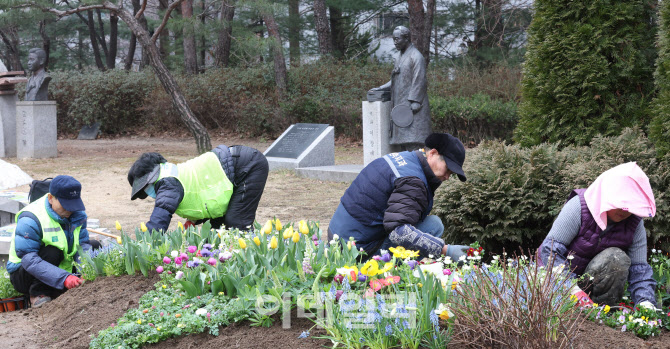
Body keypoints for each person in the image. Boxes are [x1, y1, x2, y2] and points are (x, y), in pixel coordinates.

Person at [328, 133, 471, 260]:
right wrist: (446, 250)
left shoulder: (404, 159)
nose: (447, 177)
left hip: (336, 240)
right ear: (432, 153)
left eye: (451, 174)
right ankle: (385, 276)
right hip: (355, 254)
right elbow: (399, 233)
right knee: (433, 226)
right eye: (448, 169)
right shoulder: (413, 181)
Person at [539, 162, 657, 308]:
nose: (624, 211)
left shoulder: (634, 223)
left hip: (590, 285)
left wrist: (646, 302)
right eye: (619, 203)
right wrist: (570, 288)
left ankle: (599, 314)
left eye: (630, 207)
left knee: (616, 258)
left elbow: (640, 269)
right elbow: (550, 250)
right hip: (555, 279)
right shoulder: (579, 207)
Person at [128, 145, 269, 232]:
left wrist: (144, 243)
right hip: (235, 165)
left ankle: (251, 269)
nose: (148, 194)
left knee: (237, 224)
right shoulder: (169, 175)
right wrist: (193, 221)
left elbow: (161, 216)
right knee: (215, 233)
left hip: (247, 166)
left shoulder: (167, 183)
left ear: (150, 179)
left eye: (145, 189)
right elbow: (200, 193)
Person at [7, 176, 96, 308]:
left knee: (94, 246)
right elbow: (29, 260)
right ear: (50, 198)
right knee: (52, 251)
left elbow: (82, 245)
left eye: (73, 205)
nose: (70, 210)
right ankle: (38, 294)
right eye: (65, 205)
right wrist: (64, 278)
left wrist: (84, 270)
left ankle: (65, 286)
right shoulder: (31, 218)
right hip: (25, 274)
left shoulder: (78, 215)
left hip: (60, 266)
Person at [368, 26, 432, 151]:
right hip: (400, 105)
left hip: (412, 106)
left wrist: (415, 102)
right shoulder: (398, 57)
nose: (395, 42)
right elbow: (395, 80)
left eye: (397, 39)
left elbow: (420, 80)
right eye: (393, 39)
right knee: (403, 142)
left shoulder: (416, 56)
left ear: (406, 38)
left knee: (414, 141)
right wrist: (380, 88)